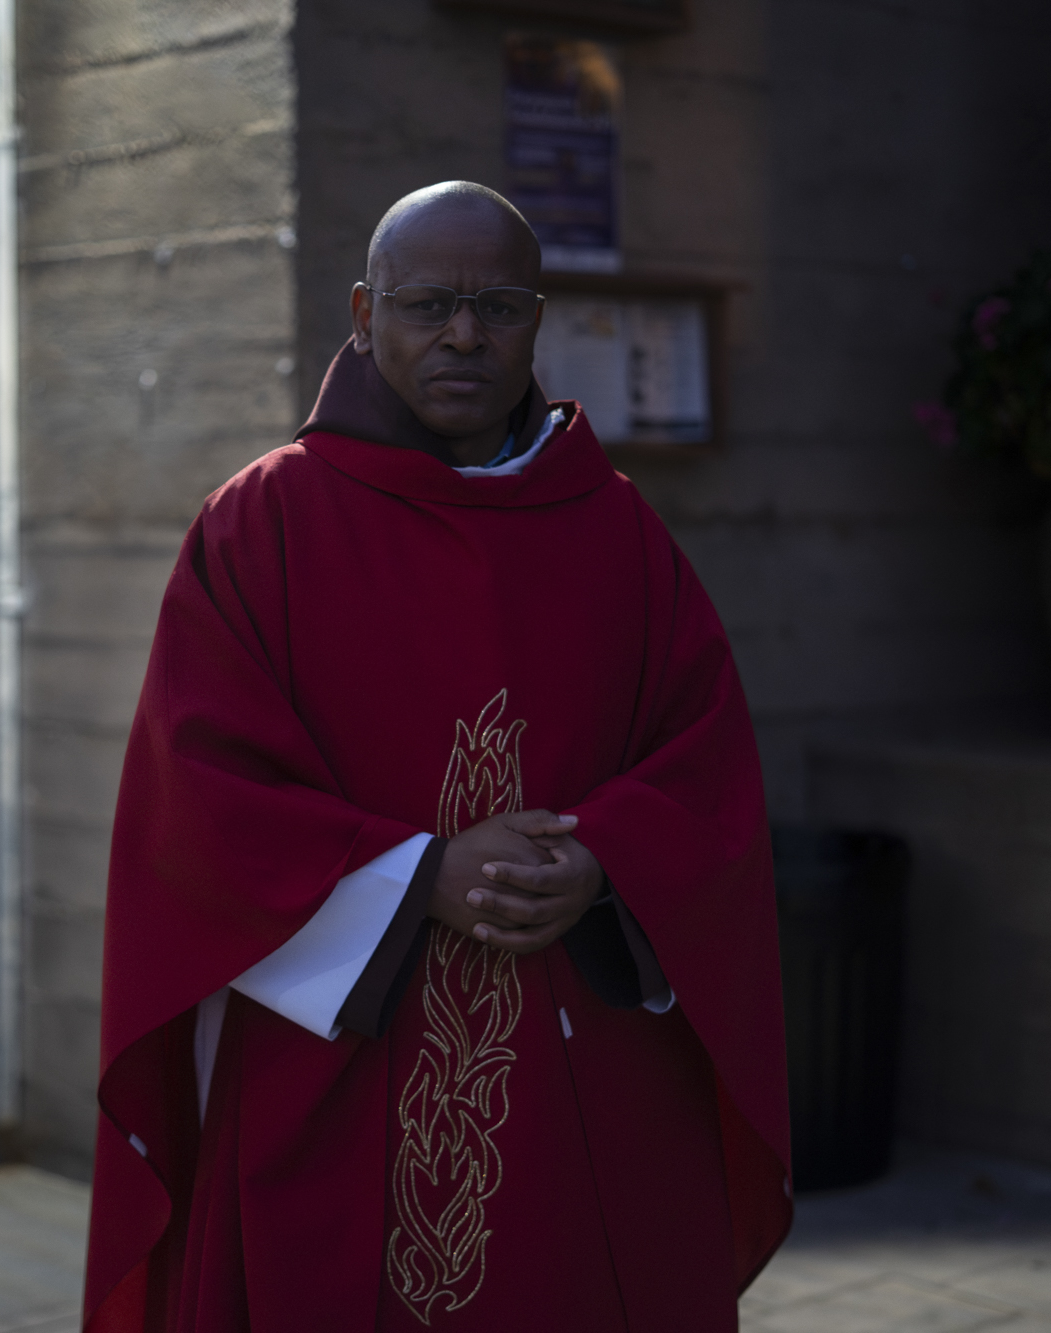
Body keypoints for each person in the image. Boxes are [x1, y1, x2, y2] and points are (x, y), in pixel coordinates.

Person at [83, 181, 790, 1333]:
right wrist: (419, 874)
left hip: (583, 1060)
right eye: (426, 305)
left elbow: (703, 765)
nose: (463, 334)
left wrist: (601, 859)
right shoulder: (260, 525)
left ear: (535, 322)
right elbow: (199, 800)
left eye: (496, 306)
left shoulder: (616, 530)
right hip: (338, 1065)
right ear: (365, 314)